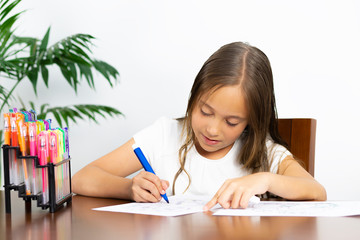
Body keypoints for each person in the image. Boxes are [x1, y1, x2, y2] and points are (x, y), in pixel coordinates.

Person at [72, 41, 327, 210]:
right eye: (205, 111)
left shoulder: (263, 152)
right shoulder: (164, 135)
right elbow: (81, 179)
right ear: (193, 98)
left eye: (232, 121)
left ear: (252, 121)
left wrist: (266, 180)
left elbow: (316, 191)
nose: (213, 129)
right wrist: (129, 188)